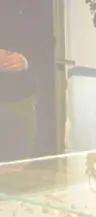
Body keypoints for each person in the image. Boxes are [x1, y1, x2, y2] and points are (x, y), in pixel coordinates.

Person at [0, 0, 54, 162]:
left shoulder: (38, 5)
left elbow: (48, 39)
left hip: (20, 94)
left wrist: (25, 59)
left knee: (17, 160)